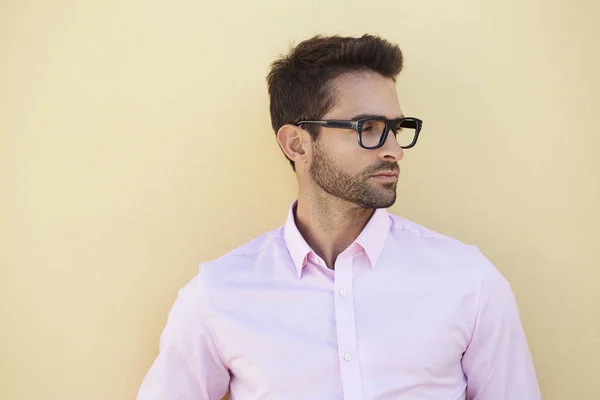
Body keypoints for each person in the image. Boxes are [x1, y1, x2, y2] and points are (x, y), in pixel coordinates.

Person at [137, 34, 541, 400]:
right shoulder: (219, 293)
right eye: (368, 127)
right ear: (297, 144)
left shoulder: (468, 280)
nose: (394, 151)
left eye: (397, 129)